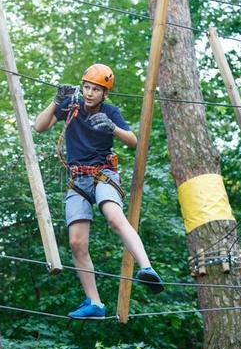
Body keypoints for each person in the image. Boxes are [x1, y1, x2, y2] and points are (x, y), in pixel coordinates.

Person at [34, 63, 163, 319]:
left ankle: (147, 268)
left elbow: (133, 140)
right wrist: (56, 101)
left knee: (114, 218)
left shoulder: (110, 111)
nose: (90, 92)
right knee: (76, 243)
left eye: (96, 89)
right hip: (77, 180)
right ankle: (95, 303)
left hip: (103, 174)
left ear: (105, 93)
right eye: (87, 87)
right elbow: (39, 126)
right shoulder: (70, 106)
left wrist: (111, 128)